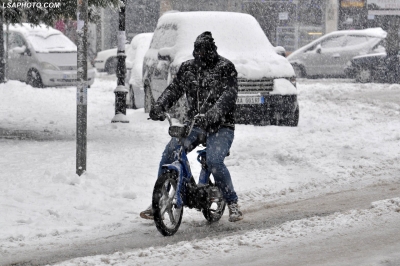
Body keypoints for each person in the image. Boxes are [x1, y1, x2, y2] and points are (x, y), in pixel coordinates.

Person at [140, 31, 243, 222]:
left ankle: (232, 202)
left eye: (204, 53)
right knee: (170, 152)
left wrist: (212, 114)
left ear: (212, 51)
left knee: (214, 161)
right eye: (197, 53)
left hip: (222, 126)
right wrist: (159, 106)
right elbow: (174, 89)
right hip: (195, 124)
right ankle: (160, 199)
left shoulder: (225, 68)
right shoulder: (188, 69)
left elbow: (228, 97)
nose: (200, 58)